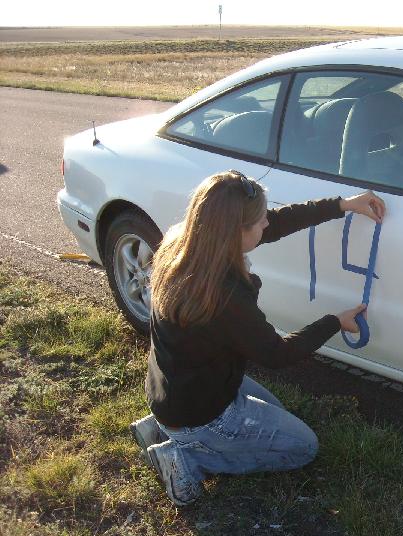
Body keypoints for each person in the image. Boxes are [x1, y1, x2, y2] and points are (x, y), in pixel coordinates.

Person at [129, 169, 386, 506]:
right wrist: (334, 322)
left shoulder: (183, 243)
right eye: (260, 221)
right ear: (235, 231)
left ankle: (163, 429)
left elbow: (276, 222)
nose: (268, 223)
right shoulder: (225, 297)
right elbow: (277, 355)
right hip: (201, 412)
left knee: (275, 413)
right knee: (302, 447)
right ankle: (187, 459)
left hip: (173, 389)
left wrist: (342, 205)